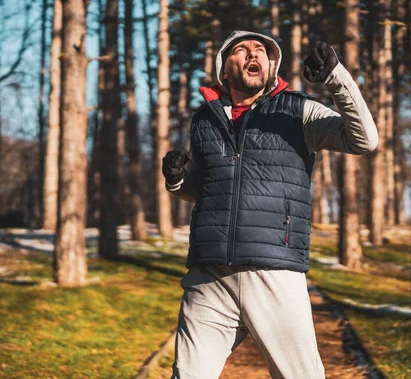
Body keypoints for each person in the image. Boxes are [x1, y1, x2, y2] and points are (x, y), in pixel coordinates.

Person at [162, 30, 378, 379]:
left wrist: (336, 78)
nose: (253, 55)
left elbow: (364, 139)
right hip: (209, 277)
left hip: (274, 273)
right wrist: (177, 180)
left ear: (270, 64)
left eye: (261, 50)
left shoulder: (297, 110)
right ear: (225, 68)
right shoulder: (204, 119)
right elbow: (209, 191)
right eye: (242, 50)